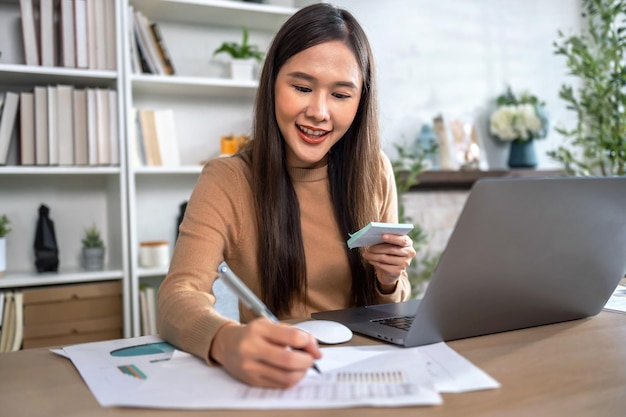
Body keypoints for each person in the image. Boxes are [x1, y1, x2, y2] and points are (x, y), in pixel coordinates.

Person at [157, 3, 417, 389]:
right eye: (301, 88)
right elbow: (177, 296)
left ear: (360, 102)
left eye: (341, 95)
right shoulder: (228, 179)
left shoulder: (374, 170)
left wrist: (388, 278)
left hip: (366, 372)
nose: (319, 112)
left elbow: (393, 305)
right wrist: (227, 340)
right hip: (282, 375)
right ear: (272, 84)